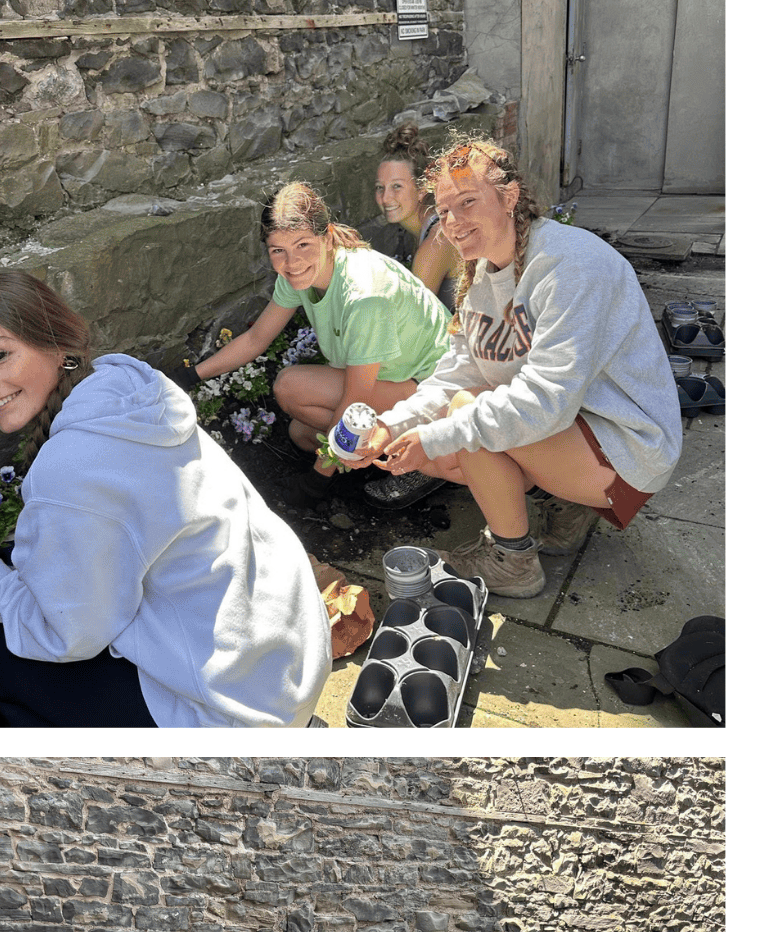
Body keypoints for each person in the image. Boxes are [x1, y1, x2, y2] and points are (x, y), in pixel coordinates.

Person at [0, 270, 330, 728]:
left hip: (238, 715)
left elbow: (68, 636)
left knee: (5, 663)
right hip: (292, 658)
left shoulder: (68, 467)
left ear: (58, 344)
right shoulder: (129, 390)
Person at [351, 138, 685, 599]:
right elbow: (455, 374)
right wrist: (391, 426)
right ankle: (566, 504)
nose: (453, 222)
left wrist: (433, 436)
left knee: (462, 420)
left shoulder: (571, 265)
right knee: (452, 428)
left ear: (509, 197)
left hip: (630, 449)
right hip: (579, 430)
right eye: (444, 211)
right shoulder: (483, 273)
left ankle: (513, 561)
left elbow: (545, 401)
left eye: (468, 202)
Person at [194, 181, 450, 509]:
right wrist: (189, 377)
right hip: (395, 381)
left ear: (327, 237)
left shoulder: (364, 296)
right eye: (278, 250)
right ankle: (371, 455)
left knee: (291, 388)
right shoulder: (301, 274)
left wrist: (315, 482)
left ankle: (429, 456)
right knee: (302, 434)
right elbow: (256, 339)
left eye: (303, 244)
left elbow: (355, 399)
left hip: (435, 390)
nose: (292, 261)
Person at [369, 124, 460, 310]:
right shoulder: (430, 228)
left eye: (397, 186)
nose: (385, 198)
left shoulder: (435, 243)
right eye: (380, 187)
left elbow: (413, 319)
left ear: (422, 189)